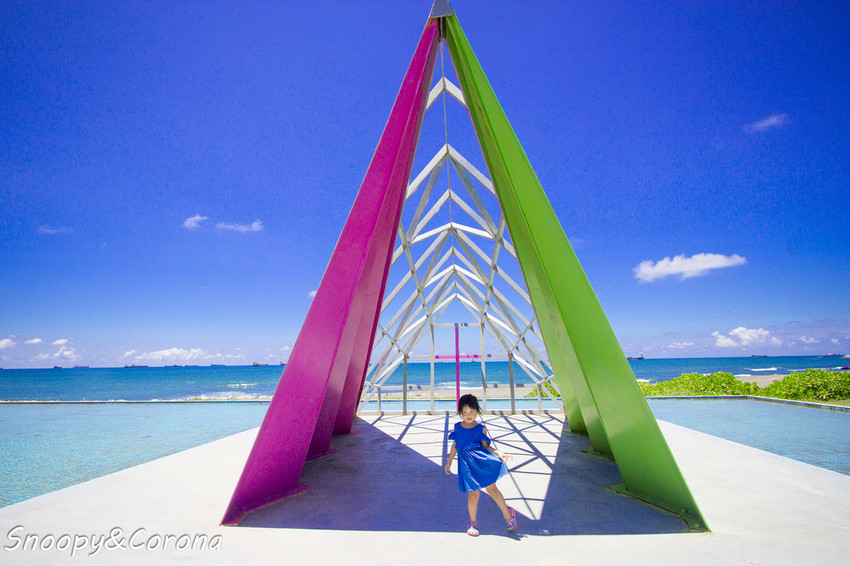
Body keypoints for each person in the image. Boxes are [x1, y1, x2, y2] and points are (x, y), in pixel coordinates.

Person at [444, 394, 517, 536]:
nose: (468, 415)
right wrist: (449, 461)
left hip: (481, 462)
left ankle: (508, 515)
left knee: (492, 490)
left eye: (472, 411)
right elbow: (455, 445)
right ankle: (473, 523)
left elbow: (486, 446)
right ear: (460, 413)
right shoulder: (457, 427)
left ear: (477, 411)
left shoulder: (480, 429)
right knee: (473, 494)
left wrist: (498, 453)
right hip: (466, 466)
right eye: (465, 412)